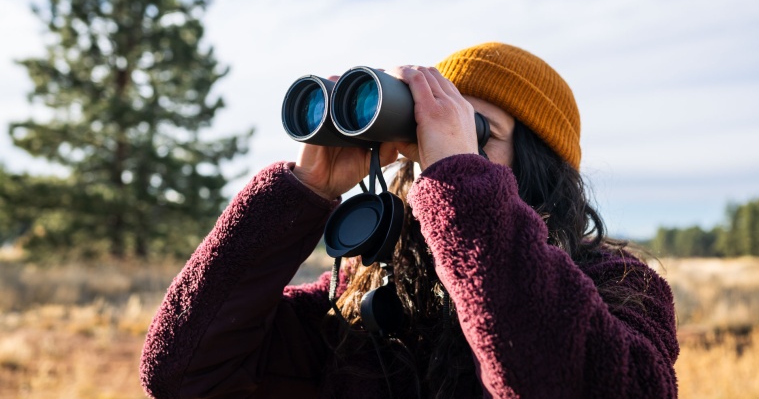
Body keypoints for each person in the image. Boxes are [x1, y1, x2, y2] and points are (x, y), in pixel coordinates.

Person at [140, 42, 679, 398]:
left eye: (476, 131)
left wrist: (462, 183)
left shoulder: (623, 292)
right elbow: (181, 372)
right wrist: (302, 192)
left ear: (539, 164)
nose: (443, 149)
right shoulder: (363, 299)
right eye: (435, 127)